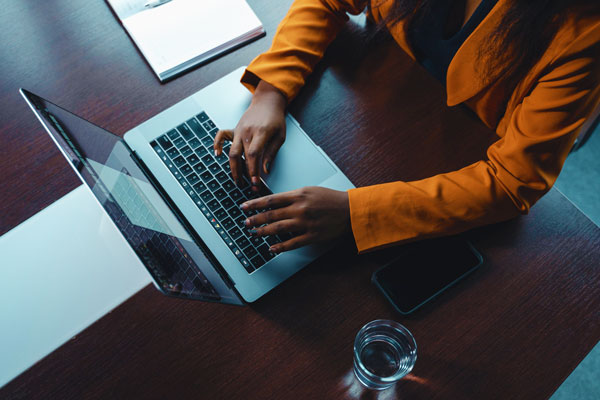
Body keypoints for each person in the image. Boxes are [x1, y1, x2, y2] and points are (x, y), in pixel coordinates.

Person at [213, 0, 600, 254]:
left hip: (448, 161)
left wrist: (356, 215)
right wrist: (271, 92)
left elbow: (512, 181)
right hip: (370, 113)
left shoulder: (583, 32)